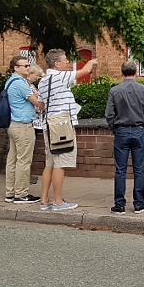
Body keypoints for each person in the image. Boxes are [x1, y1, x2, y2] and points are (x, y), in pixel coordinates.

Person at [38, 49, 98, 211]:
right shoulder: (60, 76)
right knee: (61, 163)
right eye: (64, 60)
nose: (67, 63)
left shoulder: (43, 80)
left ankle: (44, 199)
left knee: (49, 163)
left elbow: (42, 105)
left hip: (48, 124)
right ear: (57, 63)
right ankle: (58, 201)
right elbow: (85, 71)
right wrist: (92, 62)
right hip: (62, 125)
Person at [106, 61, 144, 214]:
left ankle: (119, 204)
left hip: (121, 131)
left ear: (122, 72)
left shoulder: (115, 91)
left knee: (120, 170)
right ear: (136, 72)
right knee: (139, 169)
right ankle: (139, 203)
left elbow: (109, 114)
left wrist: (114, 127)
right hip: (138, 130)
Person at [4, 56, 45, 204]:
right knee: (24, 161)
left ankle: (10, 192)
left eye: (28, 65)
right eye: (25, 66)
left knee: (12, 160)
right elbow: (39, 104)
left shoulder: (11, 81)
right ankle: (21, 194)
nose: (28, 68)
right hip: (23, 126)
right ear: (16, 68)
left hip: (14, 124)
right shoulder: (21, 84)